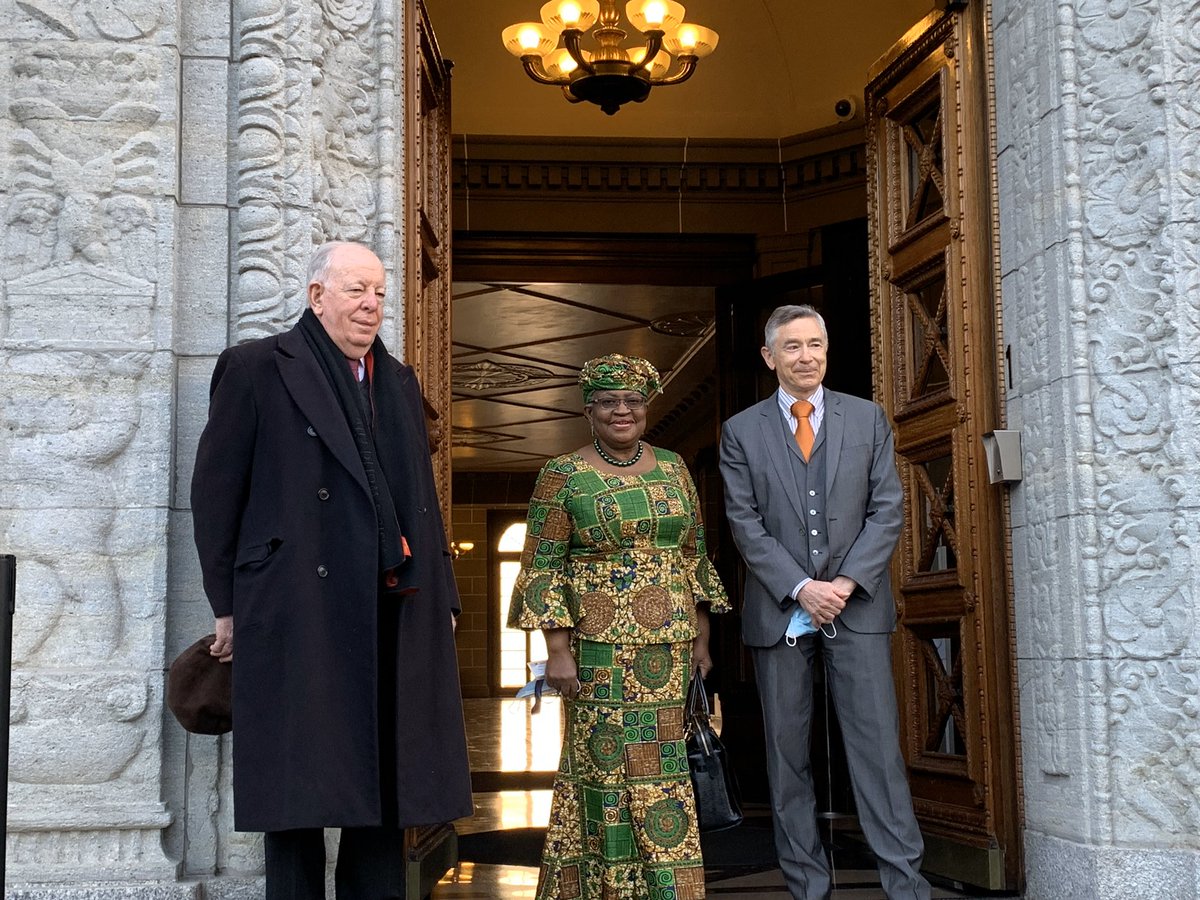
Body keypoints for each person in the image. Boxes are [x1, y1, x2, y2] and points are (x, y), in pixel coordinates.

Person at [190, 240, 472, 899]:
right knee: (298, 793)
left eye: (378, 291)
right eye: (356, 290)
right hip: (295, 607)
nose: (372, 304)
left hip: (391, 605)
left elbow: (420, 501)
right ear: (317, 297)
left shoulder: (397, 380)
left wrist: (446, 598)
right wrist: (225, 605)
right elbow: (215, 495)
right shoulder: (256, 368)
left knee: (385, 783)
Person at [719, 305, 931, 900]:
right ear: (770, 357)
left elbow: (887, 509)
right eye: (792, 347)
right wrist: (801, 588)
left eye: (816, 344)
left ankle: (905, 886)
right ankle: (807, 887)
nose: (806, 355)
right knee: (787, 762)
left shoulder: (867, 419)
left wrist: (843, 585)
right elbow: (744, 523)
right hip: (780, 612)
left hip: (856, 608)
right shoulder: (741, 431)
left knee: (876, 754)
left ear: (827, 351)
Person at [508, 353, 731, 900]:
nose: (622, 411)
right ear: (590, 410)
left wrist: (700, 634)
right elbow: (542, 565)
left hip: (668, 651)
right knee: (605, 771)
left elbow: (693, 553)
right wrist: (556, 651)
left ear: (646, 406)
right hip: (597, 651)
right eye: (609, 402)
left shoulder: (676, 467)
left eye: (632, 401)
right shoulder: (562, 475)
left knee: (663, 770)